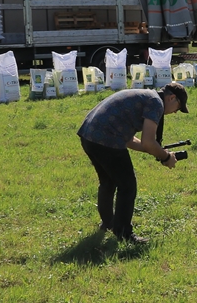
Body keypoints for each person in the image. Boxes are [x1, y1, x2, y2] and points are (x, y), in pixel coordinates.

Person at [77, 83, 188, 243]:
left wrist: (157, 151)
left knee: (108, 182)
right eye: (178, 107)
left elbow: (131, 140)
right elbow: (149, 142)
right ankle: (124, 234)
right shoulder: (156, 103)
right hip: (106, 139)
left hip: (89, 135)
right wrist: (165, 157)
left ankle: (108, 223)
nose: (176, 112)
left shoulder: (146, 96)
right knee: (127, 186)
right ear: (171, 98)